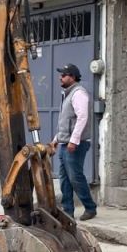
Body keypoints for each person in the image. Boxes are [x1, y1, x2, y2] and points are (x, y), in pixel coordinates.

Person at [51, 63, 97, 221]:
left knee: (75, 177)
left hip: (75, 145)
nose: (60, 77)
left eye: (63, 75)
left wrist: (74, 140)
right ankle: (67, 211)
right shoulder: (68, 94)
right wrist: (56, 139)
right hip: (65, 144)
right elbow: (66, 121)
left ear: (72, 77)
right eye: (60, 75)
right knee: (64, 179)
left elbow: (82, 117)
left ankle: (90, 208)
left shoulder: (79, 94)